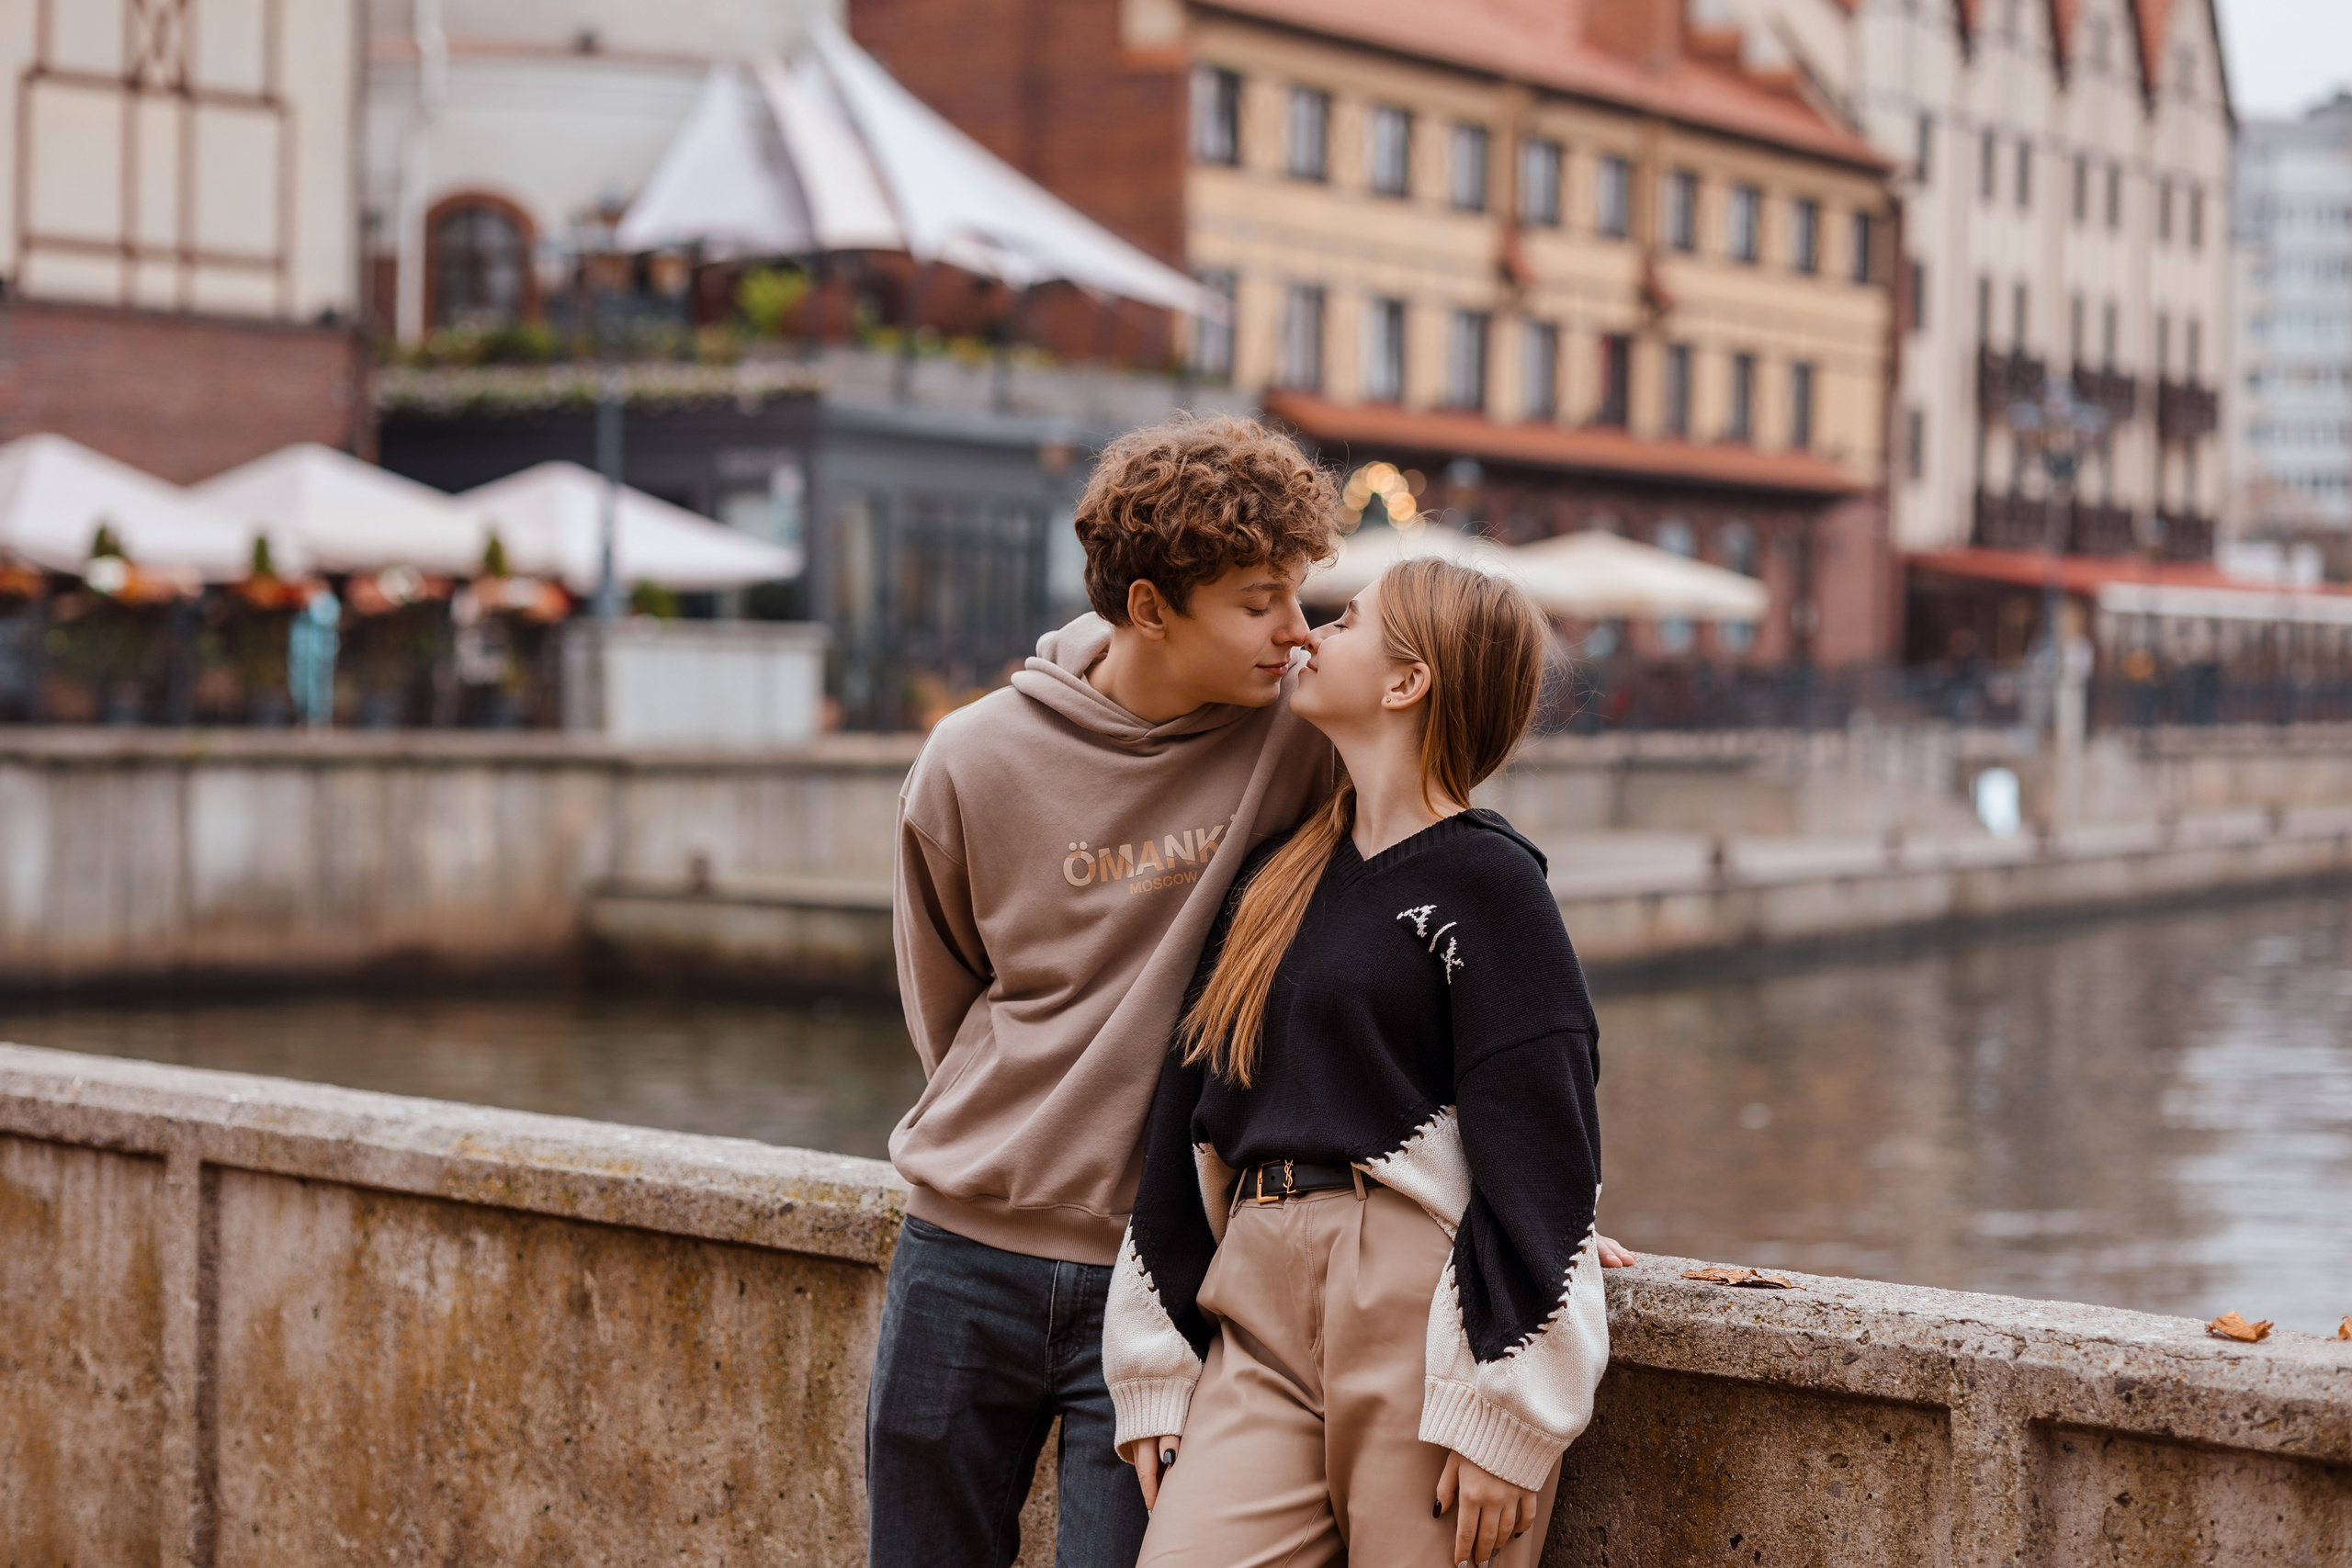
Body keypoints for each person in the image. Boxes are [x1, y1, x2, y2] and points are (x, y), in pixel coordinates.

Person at [871, 415, 1343, 1568]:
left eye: (1299, 593)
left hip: (1165, 1273)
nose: (1297, 633)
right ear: (1147, 608)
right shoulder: (972, 757)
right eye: (1257, 601)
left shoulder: (1300, 735)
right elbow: (948, 995)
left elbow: (1450, 905)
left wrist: (1531, 1181)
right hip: (957, 1256)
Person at [1104, 557, 1625, 1568]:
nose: (1309, 635)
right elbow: (1185, 1120)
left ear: (1407, 681)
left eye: (1346, 621)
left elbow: (1547, 1143)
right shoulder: (1274, 877)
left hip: (1416, 1306)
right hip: (1252, 1291)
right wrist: (1154, 1358)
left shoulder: (1490, 881)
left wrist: (1508, 1408)